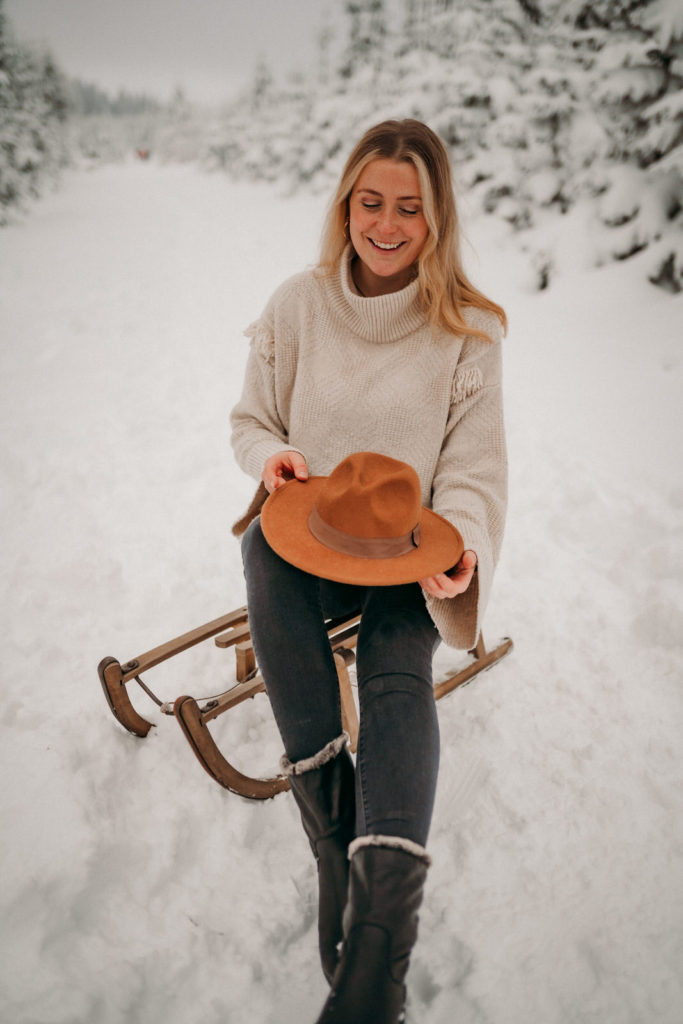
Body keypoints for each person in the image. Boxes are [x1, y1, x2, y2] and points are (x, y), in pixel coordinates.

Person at [230, 119, 507, 1024]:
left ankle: (379, 946)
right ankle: (331, 837)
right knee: (258, 547)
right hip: (313, 538)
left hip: (407, 551)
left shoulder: (466, 331)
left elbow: (473, 469)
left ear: (437, 221)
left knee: (395, 665)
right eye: (369, 202)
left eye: (409, 210)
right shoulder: (297, 306)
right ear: (346, 204)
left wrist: (461, 540)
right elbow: (251, 419)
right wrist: (270, 457)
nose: (385, 225)